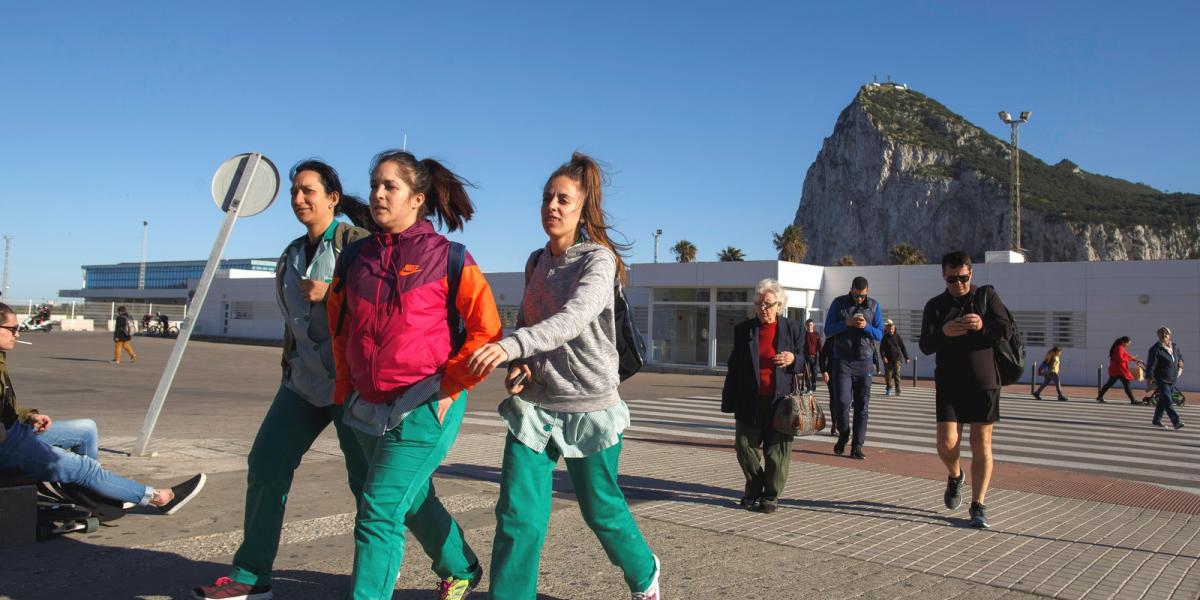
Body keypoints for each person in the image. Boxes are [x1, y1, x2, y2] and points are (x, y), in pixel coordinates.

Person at [467, 152, 661, 600]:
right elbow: (534, 325)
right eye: (547, 197)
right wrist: (521, 364)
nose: (552, 206)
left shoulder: (598, 261)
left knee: (601, 511)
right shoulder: (536, 261)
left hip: (588, 404)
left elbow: (572, 320)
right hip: (535, 405)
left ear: (582, 209)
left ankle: (644, 572)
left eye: (563, 200)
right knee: (518, 514)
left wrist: (509, 346)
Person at [193, 160, 377, 600]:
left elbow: (385, 302)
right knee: (266, 464)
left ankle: (452, 563)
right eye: (294, 191)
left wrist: (334, 289)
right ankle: (251, 577)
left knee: (371, 486)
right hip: (302, 384)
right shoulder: (291, 254)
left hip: (351, 386)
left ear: (333, 197)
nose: (298, 199)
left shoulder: (360, 245)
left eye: (308, 191)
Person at [331, 150, 501, 600]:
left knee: (378, 509)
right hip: (367, 402)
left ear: (417, 198)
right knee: (410, 498)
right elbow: (340, 328)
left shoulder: (448, 258)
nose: (378, 194)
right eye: (375, 185)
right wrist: (345, 390)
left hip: (426, 400)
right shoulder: (355, 259)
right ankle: (460, 567)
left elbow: (487, 330)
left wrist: (453, 384)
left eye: (391, 186)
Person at [0, 302, 205, 514]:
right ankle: (160, 498)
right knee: (84, 467)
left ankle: (94, 494)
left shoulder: (1, 357)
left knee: (86, 429)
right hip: (5, 443)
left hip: (14, 430)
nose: (17, 334)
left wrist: (29, 415)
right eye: (12, 329)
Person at [919, 251, 1013, 529]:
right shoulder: (935, 305)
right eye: (952, 278)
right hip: (949, 382)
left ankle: (979, 505)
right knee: (946, 444)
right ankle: (956, 474)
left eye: (963, 277)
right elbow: (925, 344)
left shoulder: (987, 298)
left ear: (971, 273)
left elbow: (1006, 331)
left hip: (984, 381)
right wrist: (944, 332)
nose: (958, 283)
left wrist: (983, 325)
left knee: (980, 443)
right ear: (943, 275)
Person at [721, 279, 805, 513]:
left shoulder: (794, 329)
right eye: (759, 303)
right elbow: (734, 366)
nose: (763, 309)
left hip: (782, 402)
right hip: (750, 400)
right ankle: (755, 485)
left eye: (768, 304)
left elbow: (810, 362)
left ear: (780, 305)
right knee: (743, 446)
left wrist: (794, 360)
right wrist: (729, 400)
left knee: (777, 453)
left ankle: (770, 496)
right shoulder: (744, 330)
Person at [823, 276, 883, 460]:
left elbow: (880, 334)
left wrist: (866, 327)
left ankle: (857, 446)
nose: (859, 300)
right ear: (851, 290)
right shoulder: (839, 303)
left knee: (862, 406)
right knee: (841, 401)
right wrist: (846, 323)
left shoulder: (873, 305)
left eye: (863, 296)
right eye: (856, 296)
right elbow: (828, 330)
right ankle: (844, 433)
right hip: (842, 360)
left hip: (864, 361)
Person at [1145, 326, 1185, 430]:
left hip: (1172, 378)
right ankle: (1176, 421)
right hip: (1161, 379)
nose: (1164, 336)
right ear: (1158, 336)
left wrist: (1181, 363)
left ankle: (1156, 420)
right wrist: (1149, 379)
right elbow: (1151, 365)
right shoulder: (1156, 349)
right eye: (1161, 334)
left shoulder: (1174, 347)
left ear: (1170, 335)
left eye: (1166, 334)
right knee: (1168, 400)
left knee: (1163, 400)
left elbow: (1180, 357)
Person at [1098, 337, 1142, 404]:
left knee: (1110, 384)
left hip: (1116, 370)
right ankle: (1133, 400)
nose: (1128, 345)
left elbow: (1127, 356)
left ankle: (1100, 397)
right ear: (1123, 342)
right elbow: (1120, 359)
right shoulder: (1119, 348)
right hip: (1119, 370)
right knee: (1126, 384)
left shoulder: (1120, 348)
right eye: (1128, 343)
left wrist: (1135, 360)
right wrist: (1130, 359)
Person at [880, 319, 909, 396]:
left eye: (892, 329)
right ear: (887, 329)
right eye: (889, 329)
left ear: (894, 328)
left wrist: (906, 357)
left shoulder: (897, 336)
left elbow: (902, 347)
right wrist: (883, 357)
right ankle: (889, 388)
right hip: (888, 359)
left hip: (897, 358)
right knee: (888, 375)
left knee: (897, 374)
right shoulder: (885, 338)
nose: (891, 330)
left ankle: (897, 388)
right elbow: (881, 349)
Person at [819, 339, 836, 437]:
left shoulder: (849, 337)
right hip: (832, 373)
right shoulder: (830, 340)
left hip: (847, 374)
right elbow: (822, 357)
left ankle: (842, 425)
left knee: (844, 401)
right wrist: (824, 371)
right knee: (834, 399)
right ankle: (835, 424)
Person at [803, 319, 822, 392]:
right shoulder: (804, 335)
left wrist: (821, 355)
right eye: (808, 325)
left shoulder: (816, 334)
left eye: (810, 325)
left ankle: (813, 384)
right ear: (806, 325)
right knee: (806, 373)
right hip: (805, 357)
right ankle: (808, 387)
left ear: (813, 325)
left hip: (814, 357)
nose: (809, 326)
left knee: (814, 372)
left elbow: (820, 346)